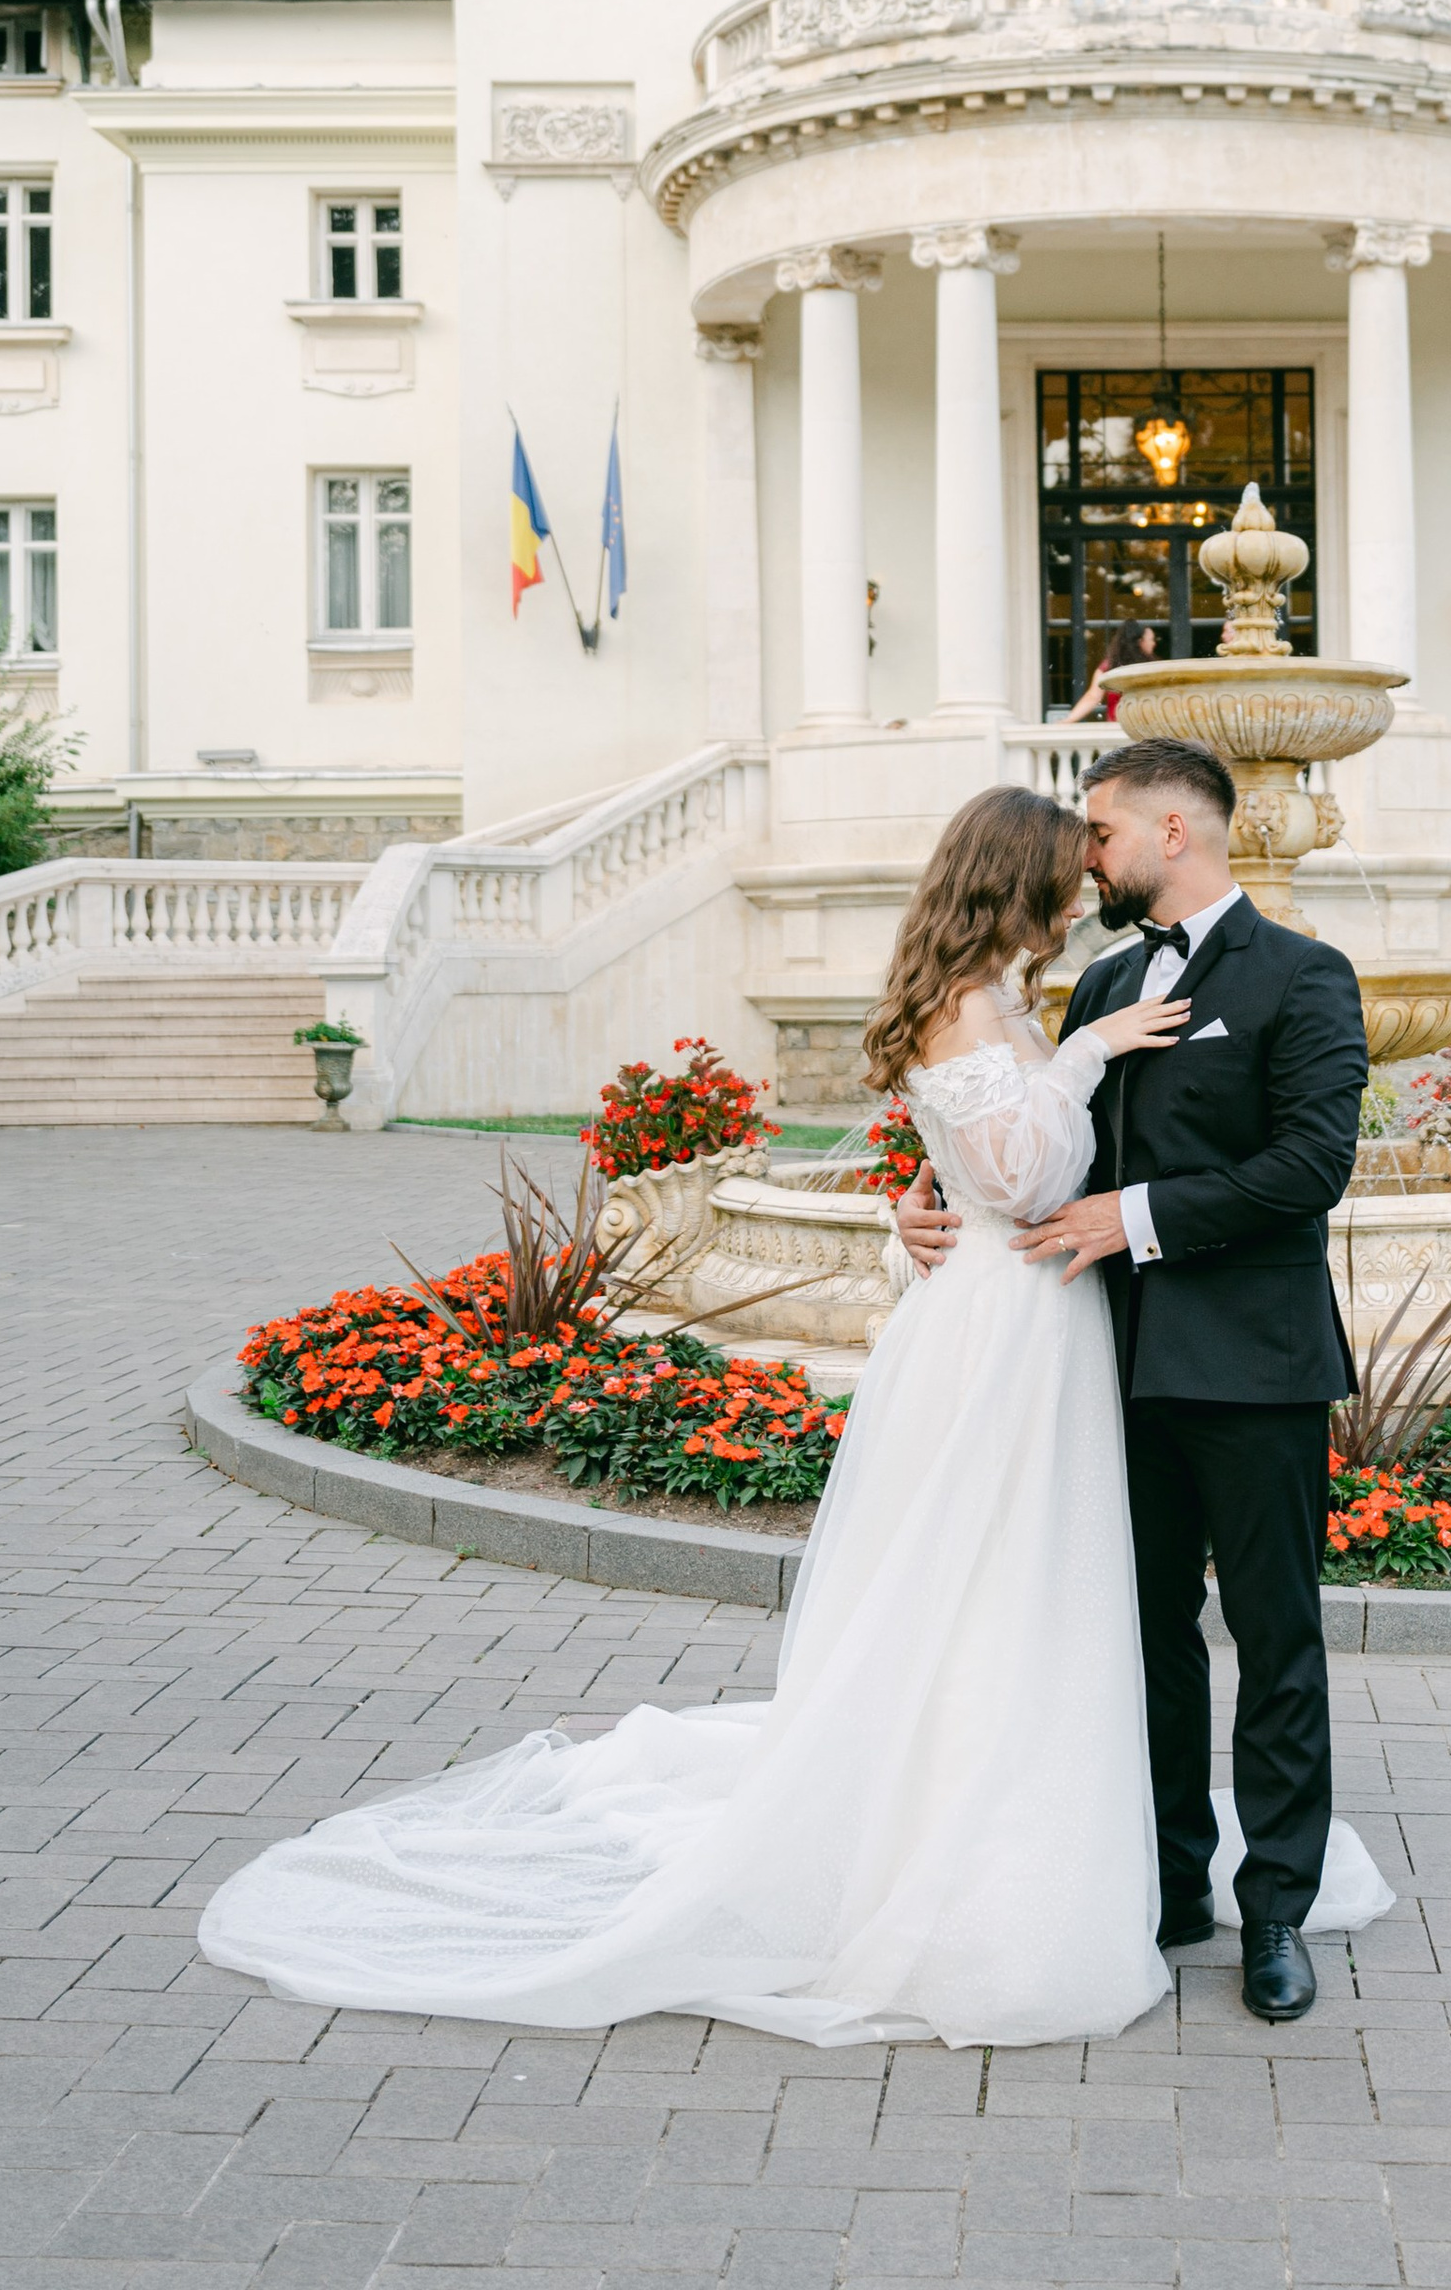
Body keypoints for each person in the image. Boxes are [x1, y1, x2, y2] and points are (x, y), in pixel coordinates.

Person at [196, 788, 1211, 2048]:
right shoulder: (971, 1002)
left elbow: (968, 1167)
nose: (1081, 890)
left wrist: (977, 1142)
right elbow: (1025, 1174)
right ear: (1013, 879)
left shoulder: (1000, 991)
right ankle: (951, 1847)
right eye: (1065, 871)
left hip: (1031, 1318)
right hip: (997, 1331)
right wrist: (1091, 1054)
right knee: (978, 1578)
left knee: (1022, 1583)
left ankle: (1027, 1808)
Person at [895, 734, 1391, 2023]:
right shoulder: (1096, 982)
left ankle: (1274, 1907)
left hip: (1255, 1365)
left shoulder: (1303, 974)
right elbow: (1027, 1148)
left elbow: (1309, 1165)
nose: (1086, 852)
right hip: (1098, 1365)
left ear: (1174, 830)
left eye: (1102, 828)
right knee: (1145, 1637)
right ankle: (1172, 1881)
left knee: (1276, 1639)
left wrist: (1141, 1217)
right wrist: (924, 1200)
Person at [1062, 617, 1160, 722]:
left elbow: (1093, 696)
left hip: (1118, 727)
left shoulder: (1109, 667)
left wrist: (1068, 720)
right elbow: (1093, 697)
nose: (1154, 643)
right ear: (1140, 642)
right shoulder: (1150, 668)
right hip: (1139, 728)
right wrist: (1068, 720)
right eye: (1151, 639)